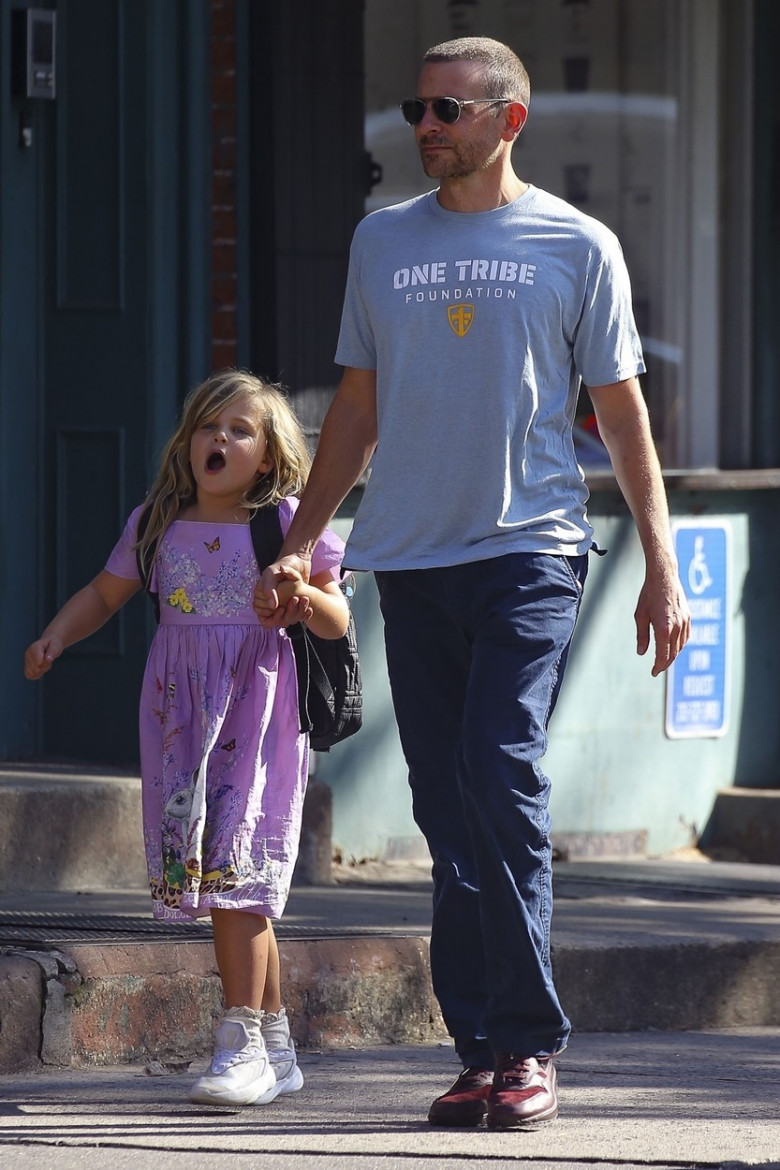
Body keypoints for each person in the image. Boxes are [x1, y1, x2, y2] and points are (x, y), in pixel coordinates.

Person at [255, 37, 690, 1129]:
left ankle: (531, 1043)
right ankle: (481, 1048)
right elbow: (353, 410)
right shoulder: (381, 242)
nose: (425, 125)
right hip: (409, 555)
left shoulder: (578, 244)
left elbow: (623, 413)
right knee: (448, 808)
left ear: (510, 120)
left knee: (501, 778)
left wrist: (663, 569)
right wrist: (302, 541)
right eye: (417, 106)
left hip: (532, 550)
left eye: (447, 107)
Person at [24, 369, 349, 1108]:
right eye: (209, 426)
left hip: (259, 719)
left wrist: (299, 593)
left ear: (266, 457)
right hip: (181, 724)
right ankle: (275, 1044)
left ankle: (238, 1041)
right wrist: (55, 636)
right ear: (188, 440)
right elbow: (104, 595)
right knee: (224, 883)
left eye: (240, 430)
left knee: (236, 881)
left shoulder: (290, 525)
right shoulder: (156, 523)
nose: (220, 439)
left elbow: (339, 621)